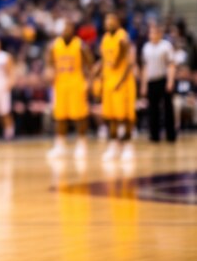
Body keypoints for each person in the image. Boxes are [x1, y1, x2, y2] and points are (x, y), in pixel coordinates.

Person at [46, 21, 93, 159]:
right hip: (60, 83)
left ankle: (82, 144)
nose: (66, 30)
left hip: (76, 82)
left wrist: (89, 82)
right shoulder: (53, 45)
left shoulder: (80, 45)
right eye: (63, 28)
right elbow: (49, 63)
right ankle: (60, 145)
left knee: (80, 116)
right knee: (60, 116)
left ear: (73, 29)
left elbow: (90, 64)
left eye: (68, 27)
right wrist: (49, 72)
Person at [95, 13, 137, 162]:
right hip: (108, 81)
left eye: (112, 20)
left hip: (123, 82)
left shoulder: (123, 38)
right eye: (106, 21)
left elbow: (130, 62)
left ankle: (128, 146)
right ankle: (113, 146)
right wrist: (97, 73)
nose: (109, 23)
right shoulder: (105, 39)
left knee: (125, 117)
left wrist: (121, 80)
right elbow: (104, 60)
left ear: (118, 21)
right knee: (110, 117)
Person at [140, 23, 176, 143]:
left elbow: (171, 65)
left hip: (163, 79)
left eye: (154, 32)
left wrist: (170, 81)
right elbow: (145, 67)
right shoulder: (146, 47)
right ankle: (154, 135)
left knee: (167, 108)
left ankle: (170, 135)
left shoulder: (166, 46)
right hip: (151, 81)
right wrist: (144, 84)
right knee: (153, 109)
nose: (152, 35)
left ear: (160, 34)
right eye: (150, 33)